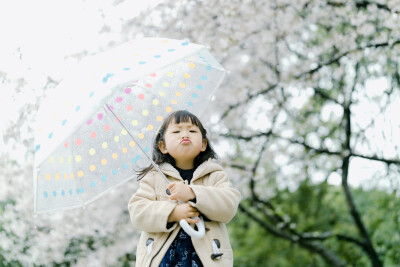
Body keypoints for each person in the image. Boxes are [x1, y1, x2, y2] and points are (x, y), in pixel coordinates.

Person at [128, 110, 241, 266]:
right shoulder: (154, 177)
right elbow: (137, 212)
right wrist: (173, 213)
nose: (185, 134)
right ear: (162, 146)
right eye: (176, 131)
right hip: (164, 259)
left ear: (203, 144)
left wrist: (193, 194)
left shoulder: (214, 175)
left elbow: (229, 206)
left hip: (205, 259)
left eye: (192, 130)